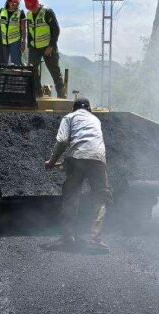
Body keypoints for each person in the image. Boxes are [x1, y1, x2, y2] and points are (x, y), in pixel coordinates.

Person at [45, 97, 111, 251]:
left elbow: (62, 141)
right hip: (98, 159)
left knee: (71, 195)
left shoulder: (69, 117)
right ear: (89, 109)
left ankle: (67, 238)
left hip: (78, 157)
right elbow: (91, 143)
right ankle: (95, 241)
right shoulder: (95, 119)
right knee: (101, 198)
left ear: (74, 108)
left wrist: (52, 161)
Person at [25, 0, 65, 98]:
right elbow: (29, 32)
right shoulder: (28, 14)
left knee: (54, 71)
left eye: (34, 7)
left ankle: (61, 95)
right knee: (32, 70)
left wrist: (51, 46)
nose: (32, 10)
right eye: (30, 8)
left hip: (48, 47)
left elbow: (56, 30)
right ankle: (38, 94)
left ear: (37, 3)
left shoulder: (47, 12)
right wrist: (29, 47)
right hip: (34, 47)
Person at [0, 0, 26, 65]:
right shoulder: (1, 11)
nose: (14, 4)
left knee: (16, 63)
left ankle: (18, 72)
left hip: (15, 42)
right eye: (11, 1)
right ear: (8, 0)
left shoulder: (21, 13)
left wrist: (23, 42)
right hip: (3, 42)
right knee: (1, 63)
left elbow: (23, 29)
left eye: (16, 2)